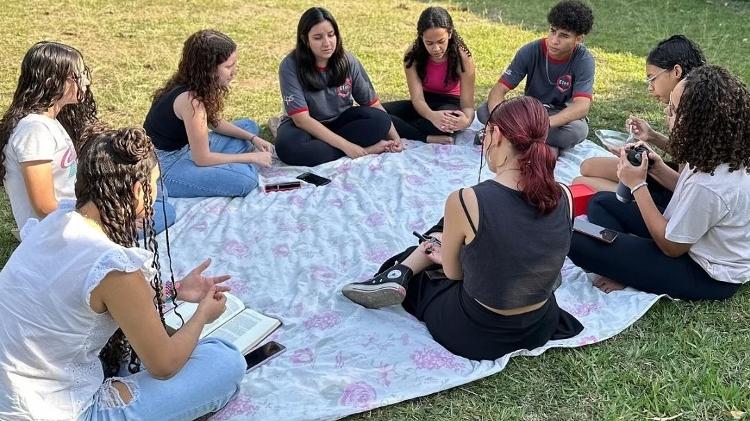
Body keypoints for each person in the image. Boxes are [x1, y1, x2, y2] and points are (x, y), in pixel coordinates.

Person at [0, 127, 245, 420]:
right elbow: (164, 364)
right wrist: (202, 314)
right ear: (138, 190)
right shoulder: (111, 265)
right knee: (225, 361)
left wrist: (174, 290)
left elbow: (82, 301)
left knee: (131, 350)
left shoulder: (56, 222)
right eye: (154, 184)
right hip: (55, 410)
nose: (156, 196)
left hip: (14, 393)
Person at [341, 97, 583, 360]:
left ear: (497, 134)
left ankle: (401, 270)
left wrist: (447, 258)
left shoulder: (468, 199)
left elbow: (454, 274)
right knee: (462, 230)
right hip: (539, 324)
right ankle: (419, 258)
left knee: (425, 268)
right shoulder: (565, 195)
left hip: (478, 333)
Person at [568, 65, 750, 299]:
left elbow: (672, 247)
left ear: (697, 124)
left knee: (574, 239)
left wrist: (638, 185)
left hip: (704, 272)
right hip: (690, 237)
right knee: (602, 202)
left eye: (673, 110)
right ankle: (624, 261)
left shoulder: (712, 183)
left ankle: (625, 268)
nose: (667, 112)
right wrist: (656, 168)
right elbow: (687, 193)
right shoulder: (720, 151)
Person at [0, 42, 174, 235]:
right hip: (64, 232)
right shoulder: (34, 132)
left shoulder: (49, 121)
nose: (86, 82)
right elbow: (44, 207)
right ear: (52, 82)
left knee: (156, 190)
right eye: (79, 76)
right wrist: (108, 223)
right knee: (165, 213)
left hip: (79, 215)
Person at [144, 29, 274, 198]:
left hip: (188, 149)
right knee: (247, 180)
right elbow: (202, 159)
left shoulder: (191, 83)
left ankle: (227, 167)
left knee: (249, 127)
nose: (234, 71)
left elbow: (215, 123)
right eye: (228, 66)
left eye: (234, 64)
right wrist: (251, 157)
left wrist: (253, 138)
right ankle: (232, 169)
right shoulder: (191, 101)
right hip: (164, 166)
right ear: (208, 69)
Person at [574, 35, 706, 196]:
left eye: (652, 78)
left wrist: (648, 165)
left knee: (580, 182)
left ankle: (636, 198)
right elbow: (684, 155)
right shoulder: (690, 104)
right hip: (676, 178)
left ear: (676, 71)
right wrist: (652, 136)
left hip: (679, 194)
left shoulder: (696, 116)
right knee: (587, 166)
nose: (650, 88)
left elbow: (688, 190)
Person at [275, 7, 403, 167]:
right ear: (305, 39)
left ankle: (329, 149)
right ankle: (365, 149)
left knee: (381, 121)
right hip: (305, 126)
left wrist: (395, 137)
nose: (327, 43)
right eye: (318, 37)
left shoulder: (348, 60)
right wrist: (347, 147)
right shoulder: (290, 65)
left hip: (341, 122)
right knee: (288, 148)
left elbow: (372, 104)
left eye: (331, 35)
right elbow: (302, 120)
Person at [478, 0, 595, 155]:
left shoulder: (584, 60)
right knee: (484, 110)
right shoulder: (530, 50)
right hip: (530, 112)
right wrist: (501, 117)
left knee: (577, 131)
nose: (554, 40)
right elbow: (498, 90)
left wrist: (544, 124)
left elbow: (581, 107)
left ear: (579, 39)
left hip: (556, 118)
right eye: (553, 31)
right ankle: (541, 145)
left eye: (564, 36)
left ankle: (511, 136)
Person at [382, 6, 476, 145]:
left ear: (449, 34)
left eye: (441, 41)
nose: (436, 49)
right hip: (423, 104)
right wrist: (432, 116)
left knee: (446, 123)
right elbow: (418, 99)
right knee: (377, 114)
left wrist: (466, 121)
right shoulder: (412, 56)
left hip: (450, 104)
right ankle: (425, 137)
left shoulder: (462, 58)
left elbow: (467, 105)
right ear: (421, 38)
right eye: (429, 43)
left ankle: (400, 128)